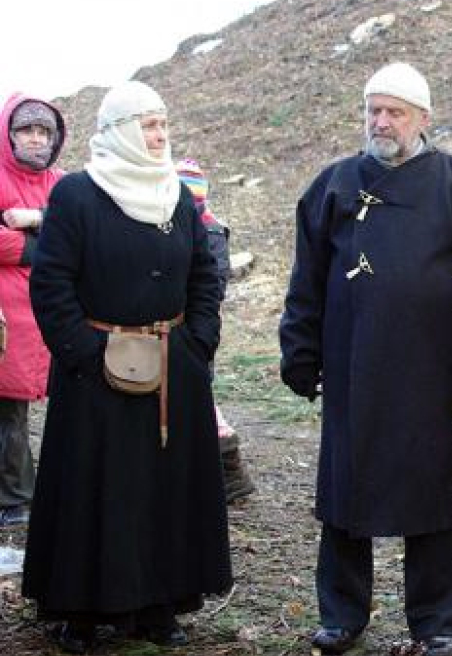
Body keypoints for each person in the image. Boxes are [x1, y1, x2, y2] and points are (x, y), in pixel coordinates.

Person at [279, 61, 452, 656]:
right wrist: (300, 354)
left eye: (394, 111)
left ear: (423, 119)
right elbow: (307, 278)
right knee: (345, 493)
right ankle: (342, 614)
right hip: (352, 367)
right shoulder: (333, 184)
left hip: (430, 372)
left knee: (428, 497)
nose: (381, 121)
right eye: (373, 110)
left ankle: (435, 621)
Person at [21, 81, 232, 654]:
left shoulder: (177, 197)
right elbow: (51, 283)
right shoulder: (77, 197)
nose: (159, 135)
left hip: (173, 369)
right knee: (98, 491)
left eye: (162, 123)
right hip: (95, 374)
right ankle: (83, 611)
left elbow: (205, 274)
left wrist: (198, 342)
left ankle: (157, 606)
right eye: (147, 125)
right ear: (118, 131)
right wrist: (86, 355)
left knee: (162, 490)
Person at [0, 93, 65, 527]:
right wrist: (41, 243)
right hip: (7, 316)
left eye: (45, 132)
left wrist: (27, 219)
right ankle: (15, 499)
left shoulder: (63, 182)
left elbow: (78, 235)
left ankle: (59, 489)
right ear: (9, 135)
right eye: (27, 130)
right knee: (8, 413)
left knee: (66, 408)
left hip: (55, 311)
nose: (36, 139)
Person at [175, 158, 257, 504]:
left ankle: (228, 471)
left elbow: (211, 285)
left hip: (192, 331)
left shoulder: (207, 231)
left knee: (198, 401)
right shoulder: (207, 227)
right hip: (191, 329)